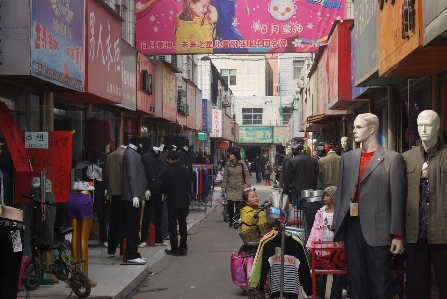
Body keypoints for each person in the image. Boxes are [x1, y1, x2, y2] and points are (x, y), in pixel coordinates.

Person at [331, 113, 405, 299]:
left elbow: (397, 198)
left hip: (379, 230)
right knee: (356, 284)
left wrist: (397, 235)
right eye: (354, 127)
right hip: (352, 228)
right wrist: (338, 228)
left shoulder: (392, 159)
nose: (353, 131)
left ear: (372, 129)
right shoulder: (347, 158)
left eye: (358, 127)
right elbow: (341, 193)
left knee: (380, 285)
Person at [402, 110, 447, 299]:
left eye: (428, 125)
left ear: (437, 126)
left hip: (443, 231)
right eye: (420, 125)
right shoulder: (407, 158)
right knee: (416, 286)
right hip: (415, 233)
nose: (423, 129)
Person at [306, 186, 343, 299]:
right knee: (320, 277)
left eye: (327, 195)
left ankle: (335, 296)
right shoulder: (320, 213)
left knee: (338, 277)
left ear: (334, 197)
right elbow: (314, 229)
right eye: (324, 195)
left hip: (336, 250)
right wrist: (310, 243)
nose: (325, 198)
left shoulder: (340, 213)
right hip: (321, 250)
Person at [122, 138, 150, 264]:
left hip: (135, 195)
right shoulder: (131, 155)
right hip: (132, 197)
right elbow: (132, 176)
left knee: (134, 225)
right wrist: (135, 194)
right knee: (132, 226)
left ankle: (134, 253)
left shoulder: (132, 154)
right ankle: (131, 254)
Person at [162, 151, 191, 256]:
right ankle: (183, 248)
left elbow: (164, 187)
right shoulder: (185, 170)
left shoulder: (168, 171)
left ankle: (175, 249)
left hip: (173, 201)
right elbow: (188, 184)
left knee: (172, 225)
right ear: (178, 159)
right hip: (184, 201)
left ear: (169, 159)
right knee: (183, 224)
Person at [140, 145, 168, 247]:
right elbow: (144, 174)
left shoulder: (162, 157)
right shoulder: (146, 157)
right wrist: (146, 188)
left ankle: (158, 238)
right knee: (147, 214)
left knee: (158, 215)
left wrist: (164, 190)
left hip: (160, 190)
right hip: (151, 190)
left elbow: (164, 174)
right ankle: (143, 239)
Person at [105, 144, 126, 258]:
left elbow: (107, 173)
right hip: (122, 193)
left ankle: (111, 249)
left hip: (112, 192)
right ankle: (123, 250)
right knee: (123, 222)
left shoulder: (109, 156)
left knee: (113, 222)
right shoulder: (124, 156)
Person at [221, 148, 251, 226]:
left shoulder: (242, 163)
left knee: (239, 206)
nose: (230, 156)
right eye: (230, 154)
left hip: (240, 187)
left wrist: (248, 185)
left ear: (236, 156)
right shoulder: (227, 164)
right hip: (230, 187)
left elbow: (246, 174)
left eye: (232, 154)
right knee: (230, 205)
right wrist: (223, 186)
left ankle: (236, 219)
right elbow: (225, 176)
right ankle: (231, 220)